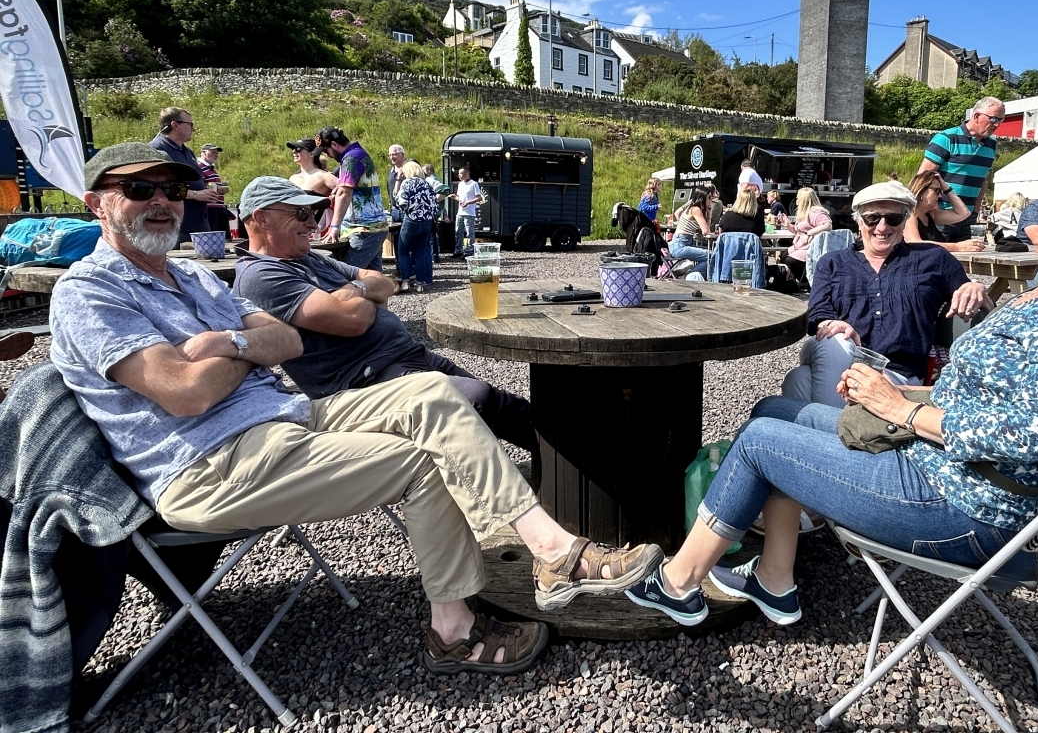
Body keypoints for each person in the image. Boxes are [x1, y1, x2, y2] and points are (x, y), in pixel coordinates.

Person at [52, 143, 664, 674]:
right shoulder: (89, 292)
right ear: (95, 203)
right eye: (138, 189)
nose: (162, 201)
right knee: (430, 458)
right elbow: (186, 393)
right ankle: (466, 623)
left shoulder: (194, 279)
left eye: (172, 189)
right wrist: (245, 348)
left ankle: (549, 553)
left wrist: (226, 344)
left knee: (434, 395)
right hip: (211, 464)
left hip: (280, 419)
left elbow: (285, 341)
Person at [625, 122, 1038, 626]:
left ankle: (679, 584)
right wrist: (899, 392)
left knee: (765, 442)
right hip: (941, 463)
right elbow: (993, 393)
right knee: (774, 411)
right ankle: (775, 581)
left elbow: (1027, 436)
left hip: (965, 505)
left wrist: (901, 408)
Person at [232, 174, 536, 451]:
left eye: (312, 213)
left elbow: (384, 283)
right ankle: (515, 500)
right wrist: (362, 293)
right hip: (366, 382)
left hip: (404, 357)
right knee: (476, 402)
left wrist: (355, 293)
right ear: (261, 218)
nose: (313, 223)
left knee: (513, 409)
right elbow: (355, 321)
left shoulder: (309, 258)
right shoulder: (261, 275)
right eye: (301, 214)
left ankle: (569, 478)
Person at [780, 181, 991, 408]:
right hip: (838, 357)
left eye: (893, 218)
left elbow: (982, 303)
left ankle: (831, 435)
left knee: (798, 380)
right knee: (835, 338)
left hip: (896, 374)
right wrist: (835, 325)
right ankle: (843, 431)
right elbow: (817, 315)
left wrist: (975, 286)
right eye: (872, 218)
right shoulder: (833, 263)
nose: (882, 227)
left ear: (904, 221)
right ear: (859, 221)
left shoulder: (931, 258)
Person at [920, 96, 1005, 242]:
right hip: (942, 213)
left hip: (968, 216)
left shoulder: (991, 144)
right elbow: (923, 178)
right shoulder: (947, 138)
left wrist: (976, 211)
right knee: (937, 259)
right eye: (993, 119)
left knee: (965, 262)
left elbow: (982, 180)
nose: (996, 125)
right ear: (977, 116)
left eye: (1000, 120)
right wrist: (927, 210)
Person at [314, 126, 390, 271]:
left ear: (334, 145)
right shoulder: (357, 154)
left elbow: (344, 193)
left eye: (326, 150)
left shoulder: (351, 159)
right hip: (373, 227)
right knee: (372, 280)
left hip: (364, 229)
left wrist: (334, 226)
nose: (328, 155)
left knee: (347, 276)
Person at [148, 106, 219, 244]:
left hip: (198, 223)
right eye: (190, 124)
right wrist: (195, 195)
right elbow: (158, 187)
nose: (193, 129)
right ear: (175, 125)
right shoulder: (157, 150)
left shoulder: (187, 152)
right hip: (176, 227)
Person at [903, 171, 984, 253]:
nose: (940, 196)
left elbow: (964, 213)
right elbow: (914, 243)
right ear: (921, 190)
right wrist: (957, 247)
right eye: (936, 190)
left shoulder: (930, 214)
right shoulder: (909, 214)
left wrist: (945, 187)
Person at [391, 161, 439, 292]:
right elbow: (435, 206)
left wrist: (407, 210)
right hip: (426, 222)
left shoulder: (407, 183)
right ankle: (420, 284)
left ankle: (406, 281)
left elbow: (401, 202)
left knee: (403, 251)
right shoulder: (427, 184)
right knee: (421, 253)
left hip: (412, 220)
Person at [776, 187, 831, 288]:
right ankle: (791, 280)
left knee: (789, 260)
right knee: (784, 255)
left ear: (804, 200)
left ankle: (806, 281)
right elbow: (798, 231)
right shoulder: (803, 212)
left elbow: (827, 225)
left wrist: (809, 233)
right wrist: (787, 224)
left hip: (811, 247)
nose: (796, 200)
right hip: (801, 244)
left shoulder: (815, 212)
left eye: (798, 198)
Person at [667, 187, 713, 277]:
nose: (711, 200)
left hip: (681, 243)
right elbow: (706, 231)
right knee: (711, 256)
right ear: (703, 197)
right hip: (680, 245)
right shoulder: (696, 209)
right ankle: (688, 277)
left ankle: (688, 275)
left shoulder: (692, 208)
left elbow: (705, 230)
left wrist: (709, 213)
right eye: (709, 197)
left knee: (709, 255)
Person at [452, 166, 483, 257]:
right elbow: (460, 198)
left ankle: (469, 251)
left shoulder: (473, 184)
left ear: (466, 174)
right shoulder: (460, 184)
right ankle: (458, 250)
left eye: (460, 173)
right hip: (460, 212)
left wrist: (468, 202)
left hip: (469, 213)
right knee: (458, 232)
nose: (458, 175)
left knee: (470, 233)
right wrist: (455, 197)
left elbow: (479, 197)